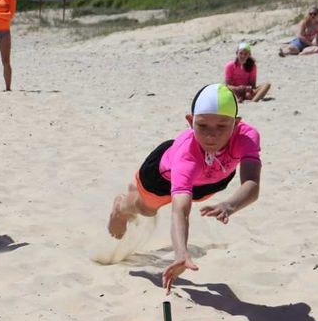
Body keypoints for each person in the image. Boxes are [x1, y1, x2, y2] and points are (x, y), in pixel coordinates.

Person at [107, 84, 262, 292]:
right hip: (162, 177)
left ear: (236, 124)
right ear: (190, 121)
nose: (211, 135)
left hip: (208, 181)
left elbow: (252, 183)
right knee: (146, 209)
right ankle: (121, 205)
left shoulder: (247, 137)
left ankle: (133, 194)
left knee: (174, 200)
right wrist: (181, 253)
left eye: (222, 127)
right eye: (203, 125)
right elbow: (180, 210)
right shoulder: (186, 155)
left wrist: (230, 205)